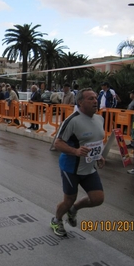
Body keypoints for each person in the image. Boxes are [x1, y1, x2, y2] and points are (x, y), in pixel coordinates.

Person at [51, 88, 105, 237]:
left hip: (89, 167)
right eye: (91, 99)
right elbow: (58, 143)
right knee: (68, 199)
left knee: (98, 199)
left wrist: (98, 155)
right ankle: (56, 219)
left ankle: (73, 210)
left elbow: (95, 142)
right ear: (80, 102)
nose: (95, 101)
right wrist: (75, 151)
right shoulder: (72, 120)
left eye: (95, 98)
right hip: (71, 167)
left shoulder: (100, 119)